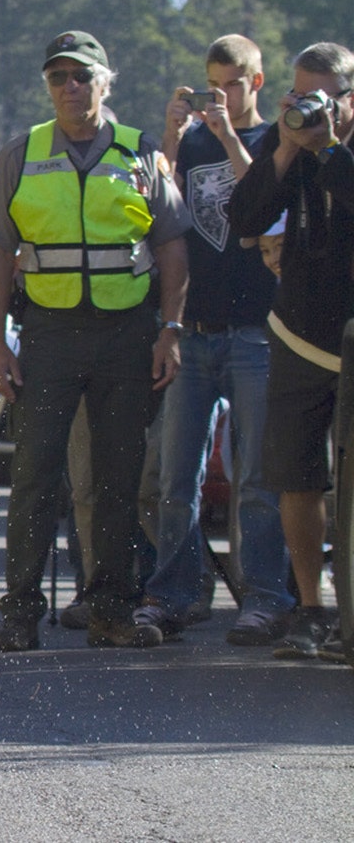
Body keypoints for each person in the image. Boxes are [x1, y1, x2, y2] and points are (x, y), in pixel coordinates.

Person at [0, 31, 191, 652]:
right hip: (48, 334)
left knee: (118, 479)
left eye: (82, 76)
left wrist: (170, 330)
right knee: (36, 476)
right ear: (48, 86)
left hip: (128, 335)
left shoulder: (140, 153)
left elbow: (173, 245)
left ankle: (112, 609)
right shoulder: (22, 154)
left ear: (105, 82)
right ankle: (19, 612)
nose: (70, 87)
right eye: (58, 77)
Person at [137, 34, 289, 645]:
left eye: (231, 82)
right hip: (193, 331)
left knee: (257, 478)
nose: (218, 95)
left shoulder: (277, 137)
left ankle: (266, 598)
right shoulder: (192, 140)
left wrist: (228, 135)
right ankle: (173, 595)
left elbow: (264, 203)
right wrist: (172, 134)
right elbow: (155, 206)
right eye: (210, 83)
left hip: (255, 330)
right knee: (175, 479)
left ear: (255, 83)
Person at [230, 41, 354, 660]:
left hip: (353, 339)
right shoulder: (293, 149)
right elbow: (244, 216)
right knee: (297, 479)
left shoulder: (333, 150)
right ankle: (309, 610)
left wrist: (330, 147)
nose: (309, 107)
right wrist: (283, 145)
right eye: (299, 93)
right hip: (300, 332)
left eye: (322, 96)